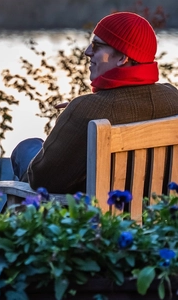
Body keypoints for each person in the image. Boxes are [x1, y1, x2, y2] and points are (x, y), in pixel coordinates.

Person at [11, 11, 178, 194]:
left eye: (97, 46)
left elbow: (42, 181)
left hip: (95, 217)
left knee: (26, 148)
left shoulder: (86, 110)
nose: (87, 52)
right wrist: (81, 110)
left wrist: (74, 114)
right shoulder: (172, 98)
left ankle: (6, 222)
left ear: (123, 58)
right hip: (156, 214)